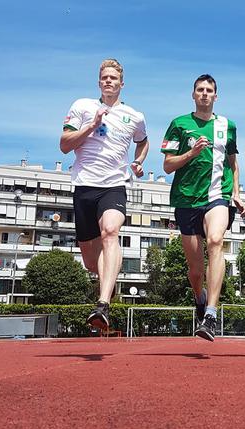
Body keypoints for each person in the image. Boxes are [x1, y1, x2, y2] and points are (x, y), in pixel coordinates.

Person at [60, 59, 149, 330]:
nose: (109, 81)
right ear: (99, 81)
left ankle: (103, 305)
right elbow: (64, 145)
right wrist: (90, 125)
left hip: (114, 185)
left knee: (111, 231)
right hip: (85, 186)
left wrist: (138, 161)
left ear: (122, 83)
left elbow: (143, 141)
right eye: (104, 77)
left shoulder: (135, 116)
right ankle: (106, 283)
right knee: (90, 262)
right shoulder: (82, 106)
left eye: (113, 78)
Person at [161, 74, 245, 342]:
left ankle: (210, 313)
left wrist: (237, 193)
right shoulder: (179, 124)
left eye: (210, 90)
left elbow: (233, 163)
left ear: (216, 96)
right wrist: (191, 154)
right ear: (193, 94)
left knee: (216, 240)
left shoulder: (227, 126)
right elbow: (168, 165)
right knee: (196, 271)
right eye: (200, 90)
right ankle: (200, 297)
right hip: (186, 200)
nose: (205, 94)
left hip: (217, 196)